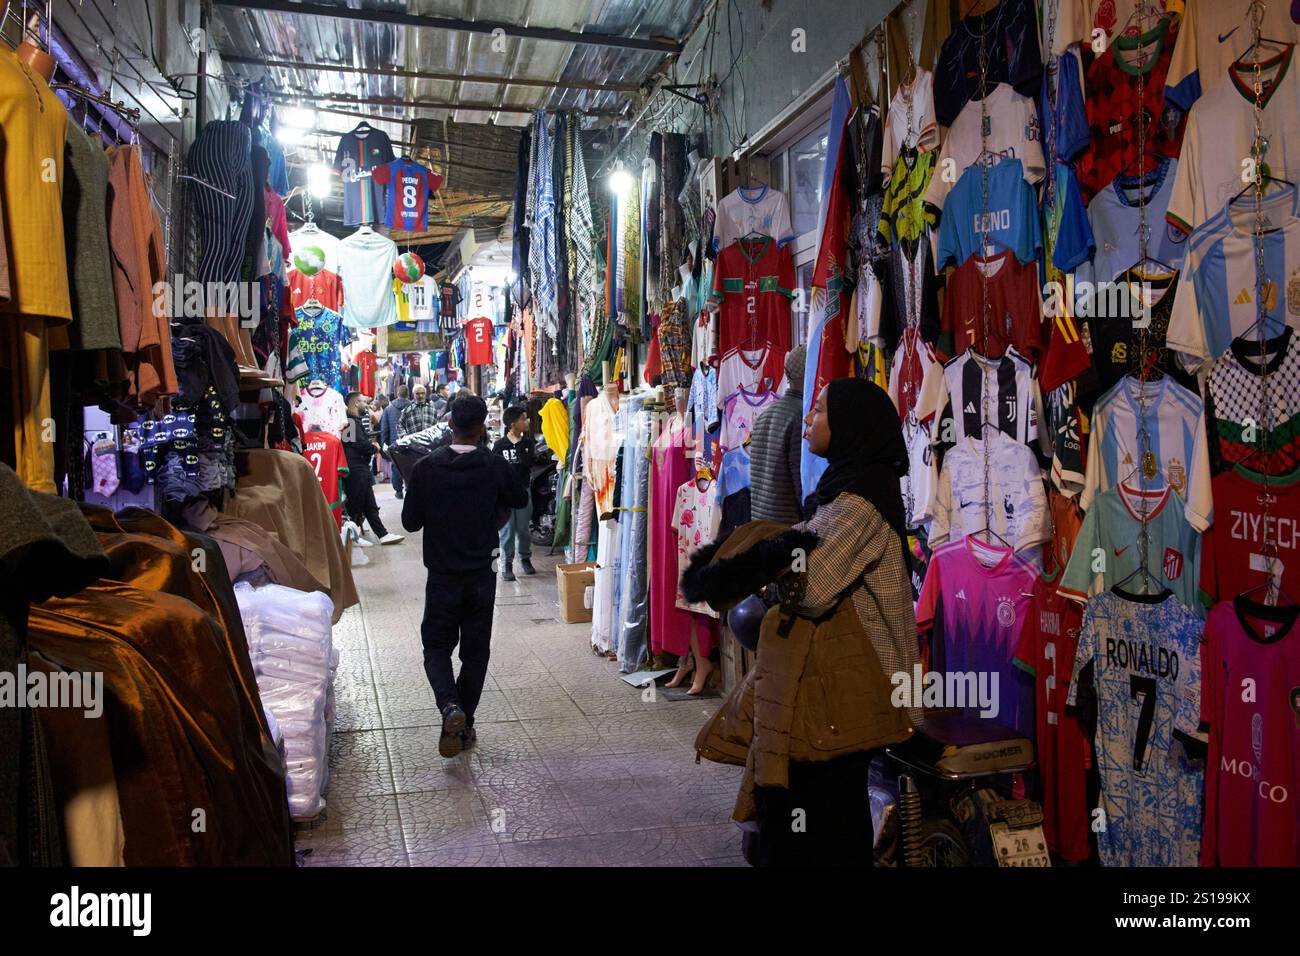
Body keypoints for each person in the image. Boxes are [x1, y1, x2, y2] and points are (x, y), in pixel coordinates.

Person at [687, 378, 919, 867]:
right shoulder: (843, 493)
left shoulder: (858, 508)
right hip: (834, 684)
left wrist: (767, 576)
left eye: (819, 412)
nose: (809, 419)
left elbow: (810, 588)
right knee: (819, 816)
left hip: (855, 689)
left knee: (826, 824)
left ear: (850, 426)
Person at [401, 395, 529, 757]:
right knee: (475, 652)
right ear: (481, 429)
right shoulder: (492, 464)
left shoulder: (427, 468)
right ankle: (465, 722)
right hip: (481, 574)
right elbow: (519, 499)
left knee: (437, 647)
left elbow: (410, 522)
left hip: (442, 574)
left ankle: (449, 708)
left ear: (450, 426)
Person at [749, 345, 806, 524]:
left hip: (761, 524)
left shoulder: (765, 414)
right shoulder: (800, 416)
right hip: (787, 529)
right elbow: (801, 487)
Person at [342, 392, 405, 546]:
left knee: (368, 503)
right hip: (356, 468)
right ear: (356, 403)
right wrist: (373, 447)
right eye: (364, 401)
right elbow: (358, 445)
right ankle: (352, 537)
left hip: (359, 467)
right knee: (356, 504)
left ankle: (382, 534)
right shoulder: (350, 421)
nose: (367, 405)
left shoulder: (351, 421)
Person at [492, 405, 536, 581]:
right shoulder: (499, 445)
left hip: (523, 491)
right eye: (523, 419)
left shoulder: (527, 443)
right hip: (504, 494)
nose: (526, 422)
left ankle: (525, 558)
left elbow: (529, 464)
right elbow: (493, 468)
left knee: (524, 528)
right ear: (513, 424)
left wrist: (520, 448)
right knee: (507, 530)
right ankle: (507, 564)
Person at [380, 386, 412, 498]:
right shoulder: (412, 407)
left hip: (394, 442)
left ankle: (398, 491)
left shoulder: (388, 409)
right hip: (410, 441)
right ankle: (410, 488)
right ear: (408, 394)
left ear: (397, 393)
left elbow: (384, 429)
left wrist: (384, 443)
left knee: (396, 466)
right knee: (410, 465)